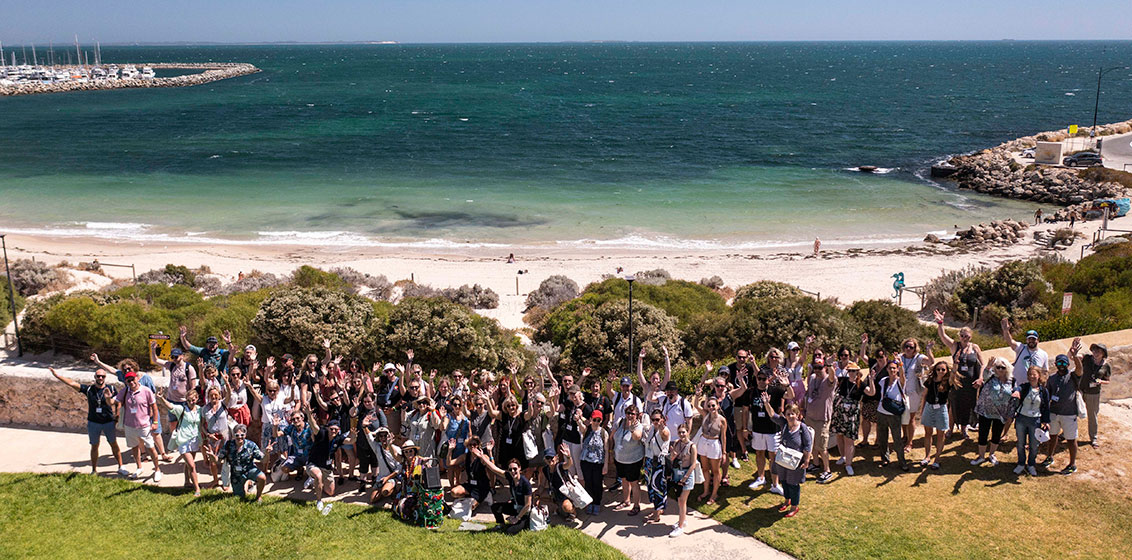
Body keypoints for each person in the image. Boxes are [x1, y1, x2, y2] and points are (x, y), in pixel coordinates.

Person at [48, 367, 127, 476]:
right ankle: (94, 470)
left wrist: (117, 416)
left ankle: (121, 466)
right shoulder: (89, 389)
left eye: (103, 376)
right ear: (95, 377)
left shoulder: (111, 389)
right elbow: (72, 383)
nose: (100, 378)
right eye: (98, 376)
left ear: (105, 377)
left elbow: (118, 402)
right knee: (94, 446)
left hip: (108, 422)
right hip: (93, 422)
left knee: (114, 444)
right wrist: (57, 375)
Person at [934, 311, 984, 438]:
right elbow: (943, 336)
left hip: (971, 382)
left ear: (970, 336)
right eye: (962, 336)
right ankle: (950, 429)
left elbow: (983, 364)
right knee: (953, 405)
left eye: (966, 336)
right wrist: (940, 323)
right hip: (956, 381)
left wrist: (980, 378)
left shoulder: (975, 347)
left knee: (967, 405)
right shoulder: (954, 345)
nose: (964, 338)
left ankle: (963, 430)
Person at [760, 396, 811, 518]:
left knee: (793, 484)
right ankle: (787, 500)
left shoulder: (802, 428)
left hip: (795, 462)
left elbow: (808, 445)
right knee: (784, 481)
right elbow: (772, 415)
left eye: (793, 413)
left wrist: (807, 460)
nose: (790, 416)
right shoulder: (784, 424)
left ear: (797, 415)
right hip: (783, 459)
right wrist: (766, 403)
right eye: (788, 414)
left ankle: (794, 506)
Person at [115, 371, 163, 481]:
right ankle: (139, 467)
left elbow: (154, 407)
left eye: (133, 379)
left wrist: (155, 422)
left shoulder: (146, 391)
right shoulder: (125, 391)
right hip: (129, 425)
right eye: (128, 380)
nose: (131, 382)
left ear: (137, 378)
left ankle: (157, 469)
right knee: (134, 447)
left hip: (144, 425)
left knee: (151, 448)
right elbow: (115, 401)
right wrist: (109, 398)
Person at [1042, 346, 1084, 475]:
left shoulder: (1073, 376)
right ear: (1055, 364)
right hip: (1054, 412)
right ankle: (1049, 456)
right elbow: (1047, 395)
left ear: (1068, 364)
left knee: (1071, 439)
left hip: (1069, 413)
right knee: (1052, 436)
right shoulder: (1052, 378)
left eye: (1064, 363)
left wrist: (1075, 356)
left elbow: (1080, 369)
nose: (1061, 366)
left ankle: (1072, 464)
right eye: (1059, 363)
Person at [303, 402, 349, 515]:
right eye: (331, 429)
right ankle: (319, 500)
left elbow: (351, 440)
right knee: (318, 475)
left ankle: (316, 482)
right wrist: (309, 414)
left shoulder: (338, 439)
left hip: (326, 468)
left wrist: (354, 434)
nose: (333, 431)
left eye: (336, 430)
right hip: (313, 464)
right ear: (328, 428)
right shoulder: (321, 433)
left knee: (330, 492)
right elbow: (313, 425)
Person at [830, 362, 874, 476]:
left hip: (852, 413)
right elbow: (832, 380)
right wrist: (832, 368)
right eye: (849, 371)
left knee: (849, 439)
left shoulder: (861, 384)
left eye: (853, 371)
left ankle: (848, 464)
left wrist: (871, 380)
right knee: (839, 435)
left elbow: (871, 392)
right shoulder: (843, 381)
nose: (851, 373)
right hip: (840, 412)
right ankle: (843, 456)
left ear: (857, 372)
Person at [156, 388, 202, 496]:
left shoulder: (200, 410)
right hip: (183, 441)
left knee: (188, 463)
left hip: (195, 440)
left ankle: (187, 482)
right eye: (189, 400)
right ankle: (197, 488)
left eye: (193, 399)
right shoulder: (182, 409)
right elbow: (170, 406)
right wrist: (161, 399)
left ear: (197, 398)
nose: (191, 402)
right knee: (192, 465)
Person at [971, 357, 1014, 467]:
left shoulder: (1012, 381)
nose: (1000, 370)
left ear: (1007, 368)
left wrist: (1011, 413)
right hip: (986, 410)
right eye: (998, 367)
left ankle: (992, 454)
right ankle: (981, 456)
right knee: (983, 433)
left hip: (1001, 413)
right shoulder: (990, 376)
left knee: (996, 434)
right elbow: (984, 377)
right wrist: (988, 367)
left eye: (1003, 367)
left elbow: (1014, 395)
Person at [145, 343, 196, 434]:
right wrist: (153, 350)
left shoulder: (189, 368)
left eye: (176, 357)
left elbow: (193, 387)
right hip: (171, 400)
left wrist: (190, 401)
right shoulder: (171, 365)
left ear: (182, 356)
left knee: (185, 423)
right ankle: (174, 439)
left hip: (184, 402)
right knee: (173, 423)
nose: (174, 359)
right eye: (172, 357)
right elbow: (156, 360)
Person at [211, 423, 267, 502]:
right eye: (237, 435)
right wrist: (213, 458)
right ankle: (246, 485)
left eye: (242, 435)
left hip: (249, 469)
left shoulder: (251, 445)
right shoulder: (228, 445)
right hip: (236, 474)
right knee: (239, 498)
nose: (239, 437)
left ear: (245, 435)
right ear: (233, 435)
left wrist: (267, 453)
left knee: (262, 477)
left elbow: (264, 460)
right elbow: (219, 460)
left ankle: (258, 497)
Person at [1011, 366, 1050, 476]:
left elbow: (1046, 407)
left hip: (1035, 420)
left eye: (1034, 374)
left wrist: (1046, 421)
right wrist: (1016, 392)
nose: (1032, 377)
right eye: (1030, 374)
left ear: (1039, 376)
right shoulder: (1024, 387)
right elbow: (1018, 388)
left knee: (1034, 445)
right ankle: (1021, 463)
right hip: (1022, 418)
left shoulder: (1043, 391)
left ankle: (1031, 464)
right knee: (1020, 443)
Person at [480, 454, 533, 535]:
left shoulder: (525, 483)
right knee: (495, 507)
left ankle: (524, 523)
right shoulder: (510, 477)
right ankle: (501, 524)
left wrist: (517, 518)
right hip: (515, 507)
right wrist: (482, 456)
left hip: (524, 512)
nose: (513, 471)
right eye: (510, 469)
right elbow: (494, 469)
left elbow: (527, 505)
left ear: (519, 468)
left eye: (515, 469)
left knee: (510, 532)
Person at [918, 361, 957, 469]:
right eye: (938, 369)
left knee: (940, 435)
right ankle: (927, 457)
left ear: (946, 371)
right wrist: (922, 409)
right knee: (928, 433)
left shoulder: (948, 382)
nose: (940, 371)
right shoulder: (930, 380)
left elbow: (954, 374)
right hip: (929, 407)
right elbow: (924, 395)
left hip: (941, 408)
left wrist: (955, 364)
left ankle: (937, 459)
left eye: (943, 369)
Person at [803, 361, 836, 483]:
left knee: (822, 446)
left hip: (822, 418)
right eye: (815, 367)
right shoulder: (812, 377)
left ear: (825, 367)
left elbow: (832, 377)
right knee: (811, 443)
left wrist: (831, 366)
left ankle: (827, 470)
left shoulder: (828, 380)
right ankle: (815, 464)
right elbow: (808, 391)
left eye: (819, 367)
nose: (817, 370)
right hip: (810, 416)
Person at [898, 338, 932, 457]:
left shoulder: (919, 357)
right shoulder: (900, 357)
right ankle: (905, 436)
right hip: (901, 391)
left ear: (915, 348)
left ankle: (909, 442)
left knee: (911, 418)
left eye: (911, 347)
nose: (908, 349)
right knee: (902, 415)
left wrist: (929, 350)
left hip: (914, 392)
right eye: (906, 346)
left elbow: (931, 362)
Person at [875, 359, 910, 471]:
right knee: (882, 437)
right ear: (887, 369)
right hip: (881, 412)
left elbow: (903, 377)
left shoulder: (900, 381)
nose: (892, 370)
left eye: (894, 368)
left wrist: (901, 364)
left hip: (894, 414)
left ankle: (902, 461)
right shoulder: (883, 381)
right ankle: (885, 459)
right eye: (890, 368)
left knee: (897, 439)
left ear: (897, 369)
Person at [1075, 342, 1111, 448]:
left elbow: (1108, 381)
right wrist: (1074, 351)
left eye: (1099, 351)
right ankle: (1066, 434)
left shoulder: (1106, 366)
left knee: (1092, 416)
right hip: (1081, 389)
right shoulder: (1087, 358)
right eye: (1095, 350)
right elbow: (1074, 358)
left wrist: (1100, 381)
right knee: (1073, 412)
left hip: (1093, 393)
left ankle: (1093, 438)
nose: (1096, 352)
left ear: (1103, 353)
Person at [612, 403, 645, 515]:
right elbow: (613, 435)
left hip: (633, 460)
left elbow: (637, 437)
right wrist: (611, 450)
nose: (630, 415)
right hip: (619, 458)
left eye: (632, 414)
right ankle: (626, 501)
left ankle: (636, 506)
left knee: (634, 482)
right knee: (624, 480)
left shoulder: (638, 426)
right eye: (628, 413)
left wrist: (631, 430)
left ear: (637, 415)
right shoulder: (620, 422)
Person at [693, 394, 726, 504]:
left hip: (714, 443)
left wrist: (724, 452)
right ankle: (706, 491)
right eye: (709, 406)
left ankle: (714, 494)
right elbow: (696, 405)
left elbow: (723, 437)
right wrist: (697, 395)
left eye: (713, 405)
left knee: (715, 470)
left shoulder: (722, 420)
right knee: (705, 468)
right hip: (703, 442)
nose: (711, 408)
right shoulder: (705, 415)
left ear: (717, 406)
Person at [667, 423, 698, 537]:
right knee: (679, 498)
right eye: (679, 432)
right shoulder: (676, 443)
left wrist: (685, 478)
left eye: (683, 432)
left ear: (688, 432)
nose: (681, 434)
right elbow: (672, 458)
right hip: (677, 473)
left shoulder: (692, 446)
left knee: (682, 500)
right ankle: (682, 520)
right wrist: (673, 454)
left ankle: (680, 527)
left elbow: (693, 464)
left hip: (687, 475)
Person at [641, 409, 671, 523]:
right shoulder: (652, 429)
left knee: (658, 487)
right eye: (653, 419)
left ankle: (657, 514)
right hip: (650, 461)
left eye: (657, 419)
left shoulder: (664, 430)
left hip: (658, 462)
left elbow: (665, 436)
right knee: (650, 486)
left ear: (662, 419)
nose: (655, 422)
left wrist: (661, 429)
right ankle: (657, 508)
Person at [447, 435, 489, 515]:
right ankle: (469, 496)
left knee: (471, 507)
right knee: (454, 492)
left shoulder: (483, 456)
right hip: (470, 484)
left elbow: (489, 465)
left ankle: (479, 498)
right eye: (470, 445)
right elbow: (449, 463)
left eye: (474, 444)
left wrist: (481, 456)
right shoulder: (465, 456)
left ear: (478, 445)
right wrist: (450, 450)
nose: (472, 446)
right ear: (467, 446)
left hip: (481, 486)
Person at [1001, 318, 1049, 387]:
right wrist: (1006, 331)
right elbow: (1010, 341)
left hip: (1033, 387)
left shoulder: (1043, 354)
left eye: (1033, 339)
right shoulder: (1021, 348)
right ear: (1026, 340)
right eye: (1029, 339)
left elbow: (1045, 372)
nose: (1031, 341)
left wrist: (1043, 385)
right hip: (1017, 386)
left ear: (1037, 340)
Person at [578, 409, 608, 515]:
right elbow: (581, 427)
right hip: (586, 461)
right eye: (594, 420)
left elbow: (606, 450)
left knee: (597, 484)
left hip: (598, 463)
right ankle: (590, 503)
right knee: (588, 483)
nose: (596, 422)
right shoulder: (586, 430)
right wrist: (579, 420)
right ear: (591, 419)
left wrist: (606, 465)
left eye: (598, 420)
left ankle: (597, 503)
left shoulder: (604, 433)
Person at [201, 387, 231, 489]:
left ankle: (226, 481)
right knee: (212, 461)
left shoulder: (223, 404)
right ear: (208, 397)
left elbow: (229, 394)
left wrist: (227, 383)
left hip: (224, 436)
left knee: (226, 460)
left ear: (219, 395)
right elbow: (202, 425)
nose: (213, 397)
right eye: (211, 395)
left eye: (215, 394)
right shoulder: (205, 409)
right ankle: (215, 480)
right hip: (212, 437)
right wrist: (208, 434)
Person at [543, 443, 580, 522]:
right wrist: (537, 496)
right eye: (547, 458)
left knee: (566, 506)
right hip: (554, 493)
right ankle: (558, 507)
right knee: (539, 498)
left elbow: (568, 464)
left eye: (551, 457)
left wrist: (568, 457)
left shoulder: (560, 467)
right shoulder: (545, 469)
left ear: (556, 457)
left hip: (566, 494)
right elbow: (541, 485)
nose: (550, 460)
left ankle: (573, 512)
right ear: (544, 459)